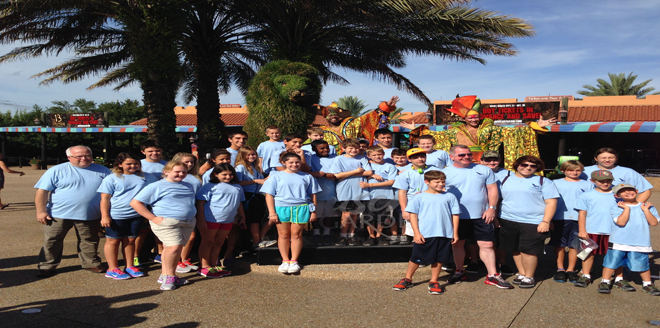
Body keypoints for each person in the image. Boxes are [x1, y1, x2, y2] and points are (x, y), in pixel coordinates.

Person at [401, 95, 555, 169]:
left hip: (487, 163)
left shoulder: (491, 128)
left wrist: (534, 126)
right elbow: (434, 137)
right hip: (461, 164)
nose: (474, 120)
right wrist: (416, 130)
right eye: (471, 117)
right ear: (464, 118)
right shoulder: (454, 130)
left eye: (476, 117)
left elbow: (514, 132)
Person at [34, 145, 111, 278]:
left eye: (87, 155)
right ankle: (47, 265)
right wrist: (41, 211)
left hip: (90, 214)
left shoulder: (103, 171)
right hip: (58, 214)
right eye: (79, 156)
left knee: (90, 240)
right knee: (53, 240)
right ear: (69, 157)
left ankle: (90, 262)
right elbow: (42, 191)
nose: (84, 158)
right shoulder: (56, 170)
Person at [442, 145, 512, 289]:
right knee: (458, 244)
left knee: (487, 244)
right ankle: (459, 271)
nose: (466, 157)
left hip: (482, 215)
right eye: (462, 155)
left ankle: (492, 275)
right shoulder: (444, 172)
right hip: (456, 216)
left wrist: (492, 208)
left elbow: (492, 189)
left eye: (469, 154)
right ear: (452, 157)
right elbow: (436, 190)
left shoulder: (483, 169)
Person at [130, 160, 197, 290]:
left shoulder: (188, 185)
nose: (181, 174)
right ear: (166, 172)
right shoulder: (156, 186)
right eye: (177, 171)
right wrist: (153, 218)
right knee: (174, 247)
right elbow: (135, 203)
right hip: (166, 222)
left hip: (187, 222)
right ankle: (170, 277)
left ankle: (165, 274)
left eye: (184, 172)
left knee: (171, 248)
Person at [392, 170, 460, 294]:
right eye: (437, 182)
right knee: (417, 257)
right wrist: (416, 233)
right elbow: (413, 215)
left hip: (444, 233)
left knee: (439, 258)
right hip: (425, 233)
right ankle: (407, 278)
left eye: (443, 181)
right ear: (427, 182)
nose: (441, 184)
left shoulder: (450, 196)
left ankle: (434, 281)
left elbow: (455, 215)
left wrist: (455, 233)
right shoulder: (419, 196)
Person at [499, 155, 559, 288]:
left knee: (528, 250)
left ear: (538, 168)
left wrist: (546, 221)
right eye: (524, 165)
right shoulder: (504, 179)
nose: (528, 168)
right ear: (517, 165)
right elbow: (497, 199)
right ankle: (522, 273)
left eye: (533, 166)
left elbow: (551, 203)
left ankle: (529, 276)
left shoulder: (544, 181)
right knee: (515, 249)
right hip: (508, 219)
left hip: (533, 221)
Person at [98, 152, 156, 279]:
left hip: (137, 214)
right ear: (120, 164)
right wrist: (105, 216)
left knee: (130, 240)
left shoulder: (147, 177)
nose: (133, 166)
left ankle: (129, 266)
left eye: (136, 163)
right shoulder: (112, 178)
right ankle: (112, 268)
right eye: (128, 164)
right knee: (113, 241)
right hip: (117, 215)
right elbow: (105, 199)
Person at [261, 152, 322, 274]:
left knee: (297, 235)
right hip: (281, 207)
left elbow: (313, 195)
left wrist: (314, 212)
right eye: (291, 162)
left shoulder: (307, 176)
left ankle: (294, 261)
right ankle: (285, 260)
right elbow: (269, 195)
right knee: (283, 235)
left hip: (301, 207)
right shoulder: (275, 176)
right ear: (284, 163)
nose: (295, 164)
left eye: (297, 162)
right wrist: (272, 213)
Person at [598, 183, 660, 296]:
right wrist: (626, 209)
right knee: (612, 262)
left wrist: (646, 210)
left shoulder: (647, 206)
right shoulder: (616, 207)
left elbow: (654, 222)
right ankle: (605, 282)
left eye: (630, 190)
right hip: (618, 241)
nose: (627, 192)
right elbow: (621, 222)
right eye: (623, 191)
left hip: (640, 241)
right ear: (617, 196)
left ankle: (647, 284)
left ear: (636, 191)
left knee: (642, 263)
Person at [573, 170, 622, 288]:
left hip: (615, 231)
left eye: (608, 181)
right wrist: (582, 230)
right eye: (601, 181)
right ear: (592, 181)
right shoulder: (586, 195)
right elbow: (582, 214)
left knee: (616, 255)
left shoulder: (618, 194)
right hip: (592, 229)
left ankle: (619, 277)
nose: (605, 183)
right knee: (588, 253)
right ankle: (586, 275)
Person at [195, 164, 245, 278]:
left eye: (230, 174)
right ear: (216, 175)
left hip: (228, 220)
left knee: (219, 242)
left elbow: (239, 203)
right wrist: (201, 220)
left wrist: (242, 216)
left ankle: (213, 265)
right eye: (224, 174)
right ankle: (204, 266)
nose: (228, 177)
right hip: (211, 218)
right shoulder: (209, 186)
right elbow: (200, 203)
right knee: (208, 242)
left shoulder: (237, 187)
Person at [549, 160, 592, 283]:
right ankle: (560, 269)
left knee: (575, 245)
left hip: (579, 218)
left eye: (577, 170)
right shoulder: (555, 183)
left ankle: (571, 269)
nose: (574, 172)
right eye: (570, 170)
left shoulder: (587, 185)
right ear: (563, 171)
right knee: (560, 244)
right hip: (559, 217)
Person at [392, 148, 442, 245]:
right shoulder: (405, 173)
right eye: (416, 157)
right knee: (415, 232)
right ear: (409, 160)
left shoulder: (435, 171)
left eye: (422, 156)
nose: (420, 159)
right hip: (414, 206)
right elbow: (402, 192)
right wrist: (404, 209)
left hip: (433, 204)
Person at [329, 138, 373, 246]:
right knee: (346, 214)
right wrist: (356, 171)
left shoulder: (362, 158)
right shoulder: (339, 159)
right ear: (344, 148)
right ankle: (343, 235)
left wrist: (347, 174)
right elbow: (337, 175)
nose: (354, 150)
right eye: (351, 148)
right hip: (345, 190)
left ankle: (351, 235)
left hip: (359, 189)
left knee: (355, 214)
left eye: (356, 148)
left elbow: (369, 172)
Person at [316, 97, 399, 152]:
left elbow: (368, 117)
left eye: (336, 115)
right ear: (325, 117)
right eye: (330, 115)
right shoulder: (321, 131)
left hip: (356, 157)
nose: (334, 116)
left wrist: (385, 106)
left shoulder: (350, 124)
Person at [479, 150, 514, 275]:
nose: (491, 162)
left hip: (501, 208)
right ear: (481, 161)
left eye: (495, 159)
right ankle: (483, 263)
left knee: (500, 238)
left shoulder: (509, 174)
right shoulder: (476, 171)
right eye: (487, 160)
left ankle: (502, 263)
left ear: (499, 160)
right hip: (481, 208)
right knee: (485, 239)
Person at [580, 147, 653, 202]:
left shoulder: (628, 172)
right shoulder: (584, 171)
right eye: (603, 158)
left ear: (616, 158)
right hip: (590, 209)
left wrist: (634, 206)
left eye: (611, 157)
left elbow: (645, 190)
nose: (607, 160)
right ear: (596, 158)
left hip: (619, 211)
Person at [361, 146, 399, 246]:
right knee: (369, 217)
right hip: (369, 196)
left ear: (383, 154)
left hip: (385, 196)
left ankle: (379, 236)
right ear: (369, 156)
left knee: (382, 218)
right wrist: (372, 175)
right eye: (374, 155)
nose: (377, 156)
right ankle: (371, 236)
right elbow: (361, 174)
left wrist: (371, 184)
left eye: (379, 154)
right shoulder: (367, 165)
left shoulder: (390, 166)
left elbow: (391, 181)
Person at [171, 152, 202, 274]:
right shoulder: (172, 176)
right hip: (175, 211)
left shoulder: (196, 177)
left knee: (190, 237)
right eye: (186, 162)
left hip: (191, 210)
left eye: (191, 162)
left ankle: (183, 259)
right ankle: (175, 261)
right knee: (175, 239)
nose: (189, 164)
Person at [234, 146, 268, 250]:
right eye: (248, 155)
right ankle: (255, 242)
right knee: (253, 220)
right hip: (247, 195)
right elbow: (238, 182)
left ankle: (255, 240)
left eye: (253, 154)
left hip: (257, 194)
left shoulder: (255, 166)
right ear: (242, 155)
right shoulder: (240, 167)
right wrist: (255, 181)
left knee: (257, 219)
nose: (251, 157)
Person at [308, 140, 339, 245]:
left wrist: (334, 175)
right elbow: (305, 171)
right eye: (322, 148)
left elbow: (340, 171)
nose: (325, 150)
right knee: (317, 212)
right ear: (314, 149)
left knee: (329, 213)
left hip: (332, 189)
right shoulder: (311, 158)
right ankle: (316, 233)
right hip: (317, 190)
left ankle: (327, 233)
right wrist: (317, 173)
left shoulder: (335, 158)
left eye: (327, 148)